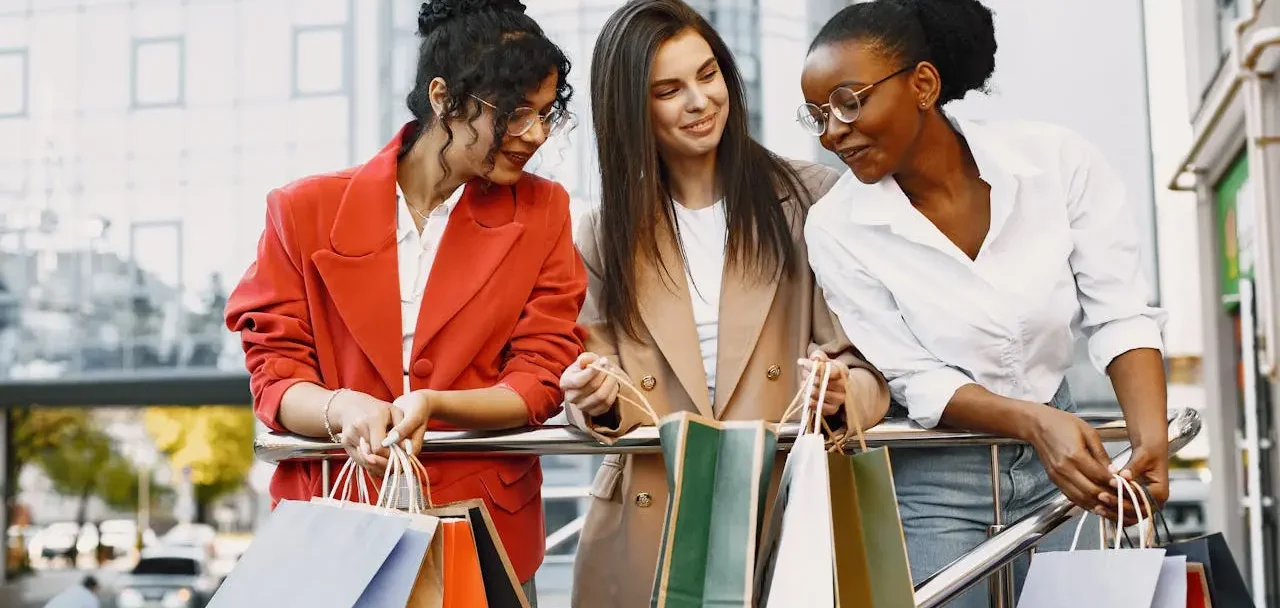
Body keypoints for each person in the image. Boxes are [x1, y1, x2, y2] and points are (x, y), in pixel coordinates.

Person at [798, 0, 1169, 604]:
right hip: (936, 477)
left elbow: (1119, 310)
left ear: (922, 84)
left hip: (1075, 462)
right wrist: (1034, 422)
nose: (832, 131)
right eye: (817, 114)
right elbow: (914, 377)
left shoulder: (1054, 163)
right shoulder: (836, 228)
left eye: (848, 101)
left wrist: (1150, 440)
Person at [224, 0, 585, 601]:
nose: (536, 134)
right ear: (442, 97)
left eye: (547, 113)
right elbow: (276, 377)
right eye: (516, 112)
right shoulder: (301, 211)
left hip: (484, 536)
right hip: (336, 536)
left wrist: (437, 403)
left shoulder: (545, 211)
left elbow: (542, 376)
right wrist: (341, 408)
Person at [558, 1, 889, 605]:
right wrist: (593, 398)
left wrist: (842, 393)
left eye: (708, 75)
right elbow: (593, 381)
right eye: (669, 89)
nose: (699, 101)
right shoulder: (604, 232)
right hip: (653, 519)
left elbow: (871, 365)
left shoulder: (811, 201)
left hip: (785, 509)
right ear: (631, 107)